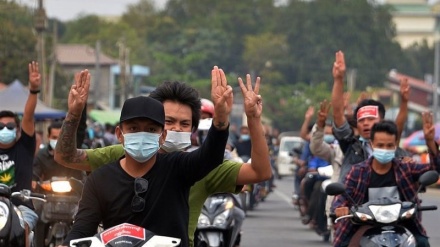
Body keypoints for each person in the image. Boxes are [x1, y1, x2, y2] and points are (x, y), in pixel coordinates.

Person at [57, 68, 271, 247]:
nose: (142, 135)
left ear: (161, 136)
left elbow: (215, 157)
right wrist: (74, 112)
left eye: (151, 129)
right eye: (134, 129)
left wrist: (227, 117)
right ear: (120, 135)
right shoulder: (104, 171)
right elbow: (80, 230)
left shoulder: (183, 168)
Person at [332, 116, 440, 247]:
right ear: (371, 144)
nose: (385, 149)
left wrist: (430, 142)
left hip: (402, 224)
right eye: (380, 145)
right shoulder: (357, 171)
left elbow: (434, 170)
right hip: (364, 225)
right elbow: (342, 196)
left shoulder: (406, 168)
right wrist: (340, 208)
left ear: (395, 145)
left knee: (422, 243)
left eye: (389, 145)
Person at [331, 51, 409, 182]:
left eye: (371, 119)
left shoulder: (392, 146)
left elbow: (399, 126)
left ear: (382, 121)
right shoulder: (352, 146)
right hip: (356, 200)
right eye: (361, 120)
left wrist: (404, 102)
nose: (366, 123)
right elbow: (338, 113)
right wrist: (339, 79)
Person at [0, 61, 41, 246]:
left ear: (17, 129)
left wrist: (33, 91)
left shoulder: (24, 147)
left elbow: (29, 117)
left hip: (22, 207)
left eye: (9, 126)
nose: (5, 129)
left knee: (22, 227)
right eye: (1, 127)